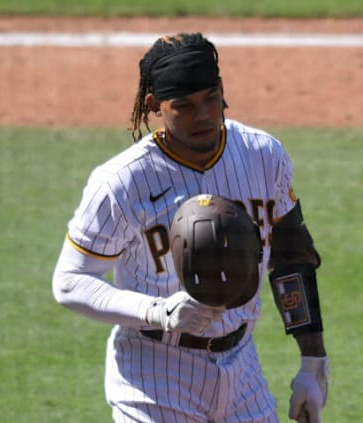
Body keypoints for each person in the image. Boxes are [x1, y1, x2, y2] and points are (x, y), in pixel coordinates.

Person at [52, 32, 329, 423]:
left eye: (211, 99)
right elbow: (70, 281)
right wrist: (157, 311)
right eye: (183, 105)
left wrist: (313, 361)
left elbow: (290, 259)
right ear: (154, 105)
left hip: (242, 368)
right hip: (154, 374)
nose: (202, 115)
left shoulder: (263, 156)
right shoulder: (122, 182)